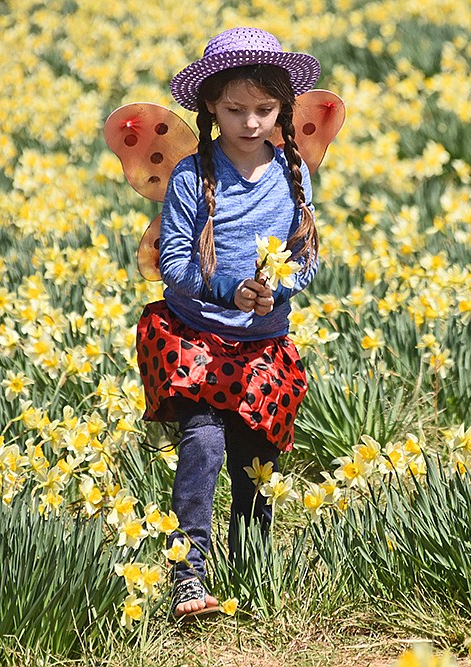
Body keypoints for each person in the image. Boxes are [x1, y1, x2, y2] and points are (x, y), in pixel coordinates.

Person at [135, 27, 321, 620]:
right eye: (236, 109)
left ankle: (250, 566)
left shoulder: (293, 172)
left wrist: (280, 289)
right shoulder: (192, 176)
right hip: (194, 337)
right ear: (211, 105)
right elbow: (173, 266)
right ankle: (187, 575)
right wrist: (228, 289)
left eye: (265, 110)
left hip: (264, 340)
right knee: (203, 442)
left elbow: (307, 255)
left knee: (254, 455)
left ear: (283, 109)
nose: (250, 123)